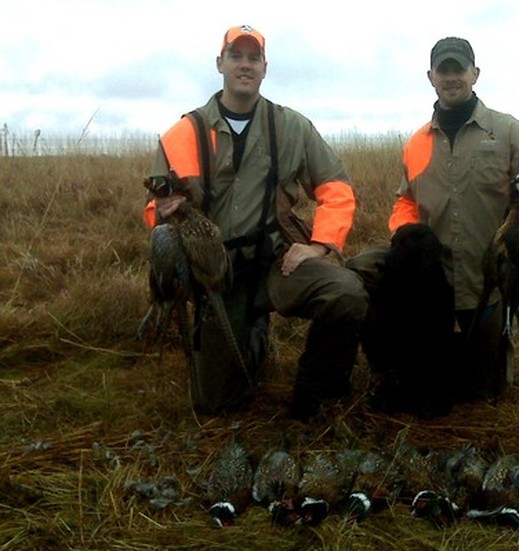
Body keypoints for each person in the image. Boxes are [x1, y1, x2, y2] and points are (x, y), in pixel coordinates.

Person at [143, 24, 368, 421]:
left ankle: (318, 393)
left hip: (277, 262)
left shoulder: (292, 127)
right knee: (216, 404)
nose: (245, 65)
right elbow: (154, 213)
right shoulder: (182, 135)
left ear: (265, 68)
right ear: (220, 64)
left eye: (253, 58)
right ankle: (252, 334)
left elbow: (336, 188)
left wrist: (319, 244)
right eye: (236, 56)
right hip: (217, 276)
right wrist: (166, 218)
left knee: (345, 293)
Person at [347, 36, 519, 414]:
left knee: (481, 394)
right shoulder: (416, 142)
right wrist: (404, 233)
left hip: (488, 281)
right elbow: (406, 200)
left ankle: (486, 351)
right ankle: (390, 370)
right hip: (435, 281)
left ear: (474, 74)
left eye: (458, 69)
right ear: (430, 77)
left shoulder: (508, 132)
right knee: (361, 269)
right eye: (442, 70)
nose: (451, 77)